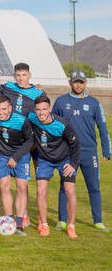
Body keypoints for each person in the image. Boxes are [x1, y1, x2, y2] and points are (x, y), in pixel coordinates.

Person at [53, 71, 110, 232]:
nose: (78, 85)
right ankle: (62, 221)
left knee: (94, 186)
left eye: (81, 82)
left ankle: (98, 221)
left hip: (89, 152)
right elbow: (53, 126)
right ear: (70, 83)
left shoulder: (93, 103)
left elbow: (103, 128)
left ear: (85, 84)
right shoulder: (61, 101)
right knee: (65, 186)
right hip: (68, 153)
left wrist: (106, 149)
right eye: (75, 82)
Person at [30, 95, 80, 239]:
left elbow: (76, 145)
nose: (41, 113)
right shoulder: (32, 119)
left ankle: (71, 226)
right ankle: (44, 224)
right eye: (38, 109)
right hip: (44, 160)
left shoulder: (62, 124)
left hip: (65, 160)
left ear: (50, 109)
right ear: (34, 110)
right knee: (41, 190)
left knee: (70, 190)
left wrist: (73, 164)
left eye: (44, 109)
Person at [0, 94, 33, 235]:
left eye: (4, 109)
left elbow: (30, 141)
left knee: (21, 187)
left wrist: (16, 157)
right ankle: (9, 221)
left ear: (10, 108)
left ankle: (19, 224)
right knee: (4, 187)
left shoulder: (22, 120)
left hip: (21, 156)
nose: (0, 112)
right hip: (1, 156)